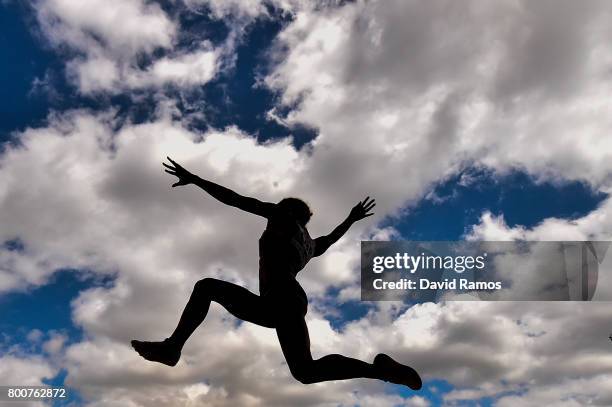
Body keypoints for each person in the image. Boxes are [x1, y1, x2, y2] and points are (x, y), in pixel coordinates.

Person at [131, 157, 422, 390]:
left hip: (278, 298)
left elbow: (235, 199)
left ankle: (172, 348)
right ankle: (380, 371)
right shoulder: (310, 244)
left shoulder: (282, 217)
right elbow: (331, 238)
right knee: (305, 372)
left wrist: (195, 180)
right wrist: (350, 218)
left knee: (206, 287)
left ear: (286, 210)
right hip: (291, 303)